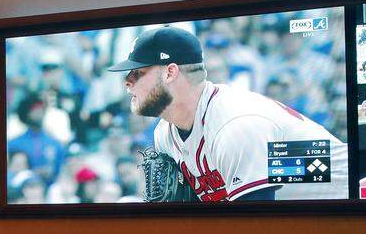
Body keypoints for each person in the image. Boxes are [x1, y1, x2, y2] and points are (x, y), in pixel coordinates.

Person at [109, 26, 348, 202]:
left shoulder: (236, 123)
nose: (127, 82)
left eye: (137, 73)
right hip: (303, 228)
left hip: (358, 209)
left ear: (170, 73)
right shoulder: (165, 132)